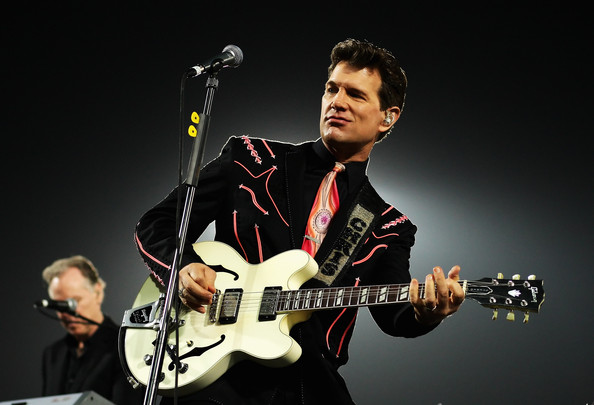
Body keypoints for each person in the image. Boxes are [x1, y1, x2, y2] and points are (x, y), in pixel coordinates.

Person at [134, 38, 465, 404]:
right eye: (332, 89)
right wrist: (182, 268)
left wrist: (428, 314)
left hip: (309, 384)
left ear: (388, 116)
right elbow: (158, 223)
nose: (337, 101)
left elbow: (394, 314)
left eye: (355, 94)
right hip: (217, 374)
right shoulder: (250, 159)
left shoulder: (389, 224)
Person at [40, 255, 144, 404]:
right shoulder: (52, 354)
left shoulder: (126, 346)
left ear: (97, 292)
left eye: (74, 301)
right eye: (58, 305)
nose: (67, 313)